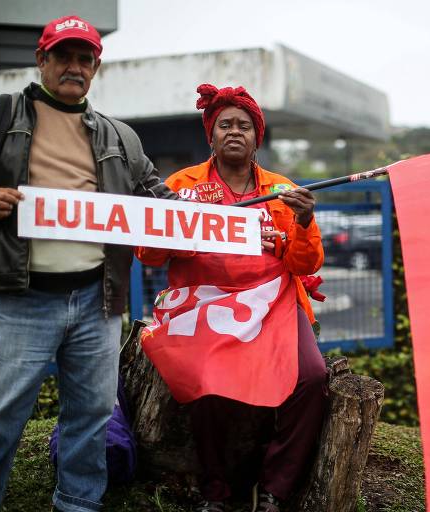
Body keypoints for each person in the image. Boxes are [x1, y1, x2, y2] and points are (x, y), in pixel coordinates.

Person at [0, 15, 176, 512]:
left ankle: (78, 504)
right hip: (24, 296)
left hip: (97, 300)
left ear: (95, 69)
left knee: (92, 413)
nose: (75, 66)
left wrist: (233, 216)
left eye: (85, 59)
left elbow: (163, 203)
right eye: (63, 55)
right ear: (42, 60)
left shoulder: (119, 138)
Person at [135, 84, 327, 512]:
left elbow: (306, 264)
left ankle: (275, 489)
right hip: (201, 301)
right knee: (205, 378)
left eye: (244, 125)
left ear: (257, 137)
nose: (234, 132)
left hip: (272, 301)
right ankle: (216, 492)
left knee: (312, 376)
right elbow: (147, 254)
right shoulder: (179, 187)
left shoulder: (283, 191)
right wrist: (172, 227)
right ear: (211, 135)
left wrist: (304, 219)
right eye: (225, 125)